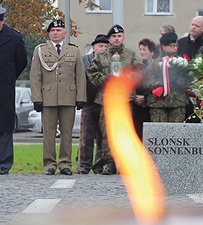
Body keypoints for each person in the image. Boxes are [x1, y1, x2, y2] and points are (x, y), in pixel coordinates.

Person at [30, 20, 86, 175]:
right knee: (48, 133)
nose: (55, 33)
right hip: (47, 97)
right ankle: (49, 164)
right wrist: (36, 98)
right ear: (49, 33)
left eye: (58, 30)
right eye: (53, 30)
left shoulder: (73, 51)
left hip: (68, 96)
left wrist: (81, 97)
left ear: (65, 33)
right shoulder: (41, 50)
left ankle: (65, 163)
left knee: (67, 132)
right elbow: (35, 76)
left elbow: (80, 76)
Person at [87, 24, 142, 175]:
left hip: (125, 99)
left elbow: (139, 72)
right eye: (114, 36)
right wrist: (106, 79)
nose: (117, 39)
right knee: (107, 132)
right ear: (109, 38)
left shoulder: (131, 55)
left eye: (119, 36)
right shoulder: (101, 55)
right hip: (107, 99)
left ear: (123, 37)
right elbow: (91, 73)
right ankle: (110, 162)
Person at [0, 7, 27, 175]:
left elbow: (21, 62)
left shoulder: (15, 38)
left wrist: (9, 78)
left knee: (4, 126)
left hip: (4, 88)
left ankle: (4, 163)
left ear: (2, 21)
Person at [78, 34, 109, 175]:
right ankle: (84, 165)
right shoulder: (84, 61)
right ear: (93, 47)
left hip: (105, 103)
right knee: (86, 137)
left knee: (103, 137)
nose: (103, 48)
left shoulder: (110, 63)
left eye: (105, 46)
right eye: (100, 46)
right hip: (89, 102)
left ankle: (98, 166)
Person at [146, 32, 191, 122]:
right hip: (158, 104)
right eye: (171, 45)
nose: (174, 48)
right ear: (163, 47)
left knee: (176, 133)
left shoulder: (182, 63)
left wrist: (177, 75)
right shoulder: (154, 64)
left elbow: (188, 83)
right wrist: (160, 85)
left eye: (176, 45)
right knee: (158, 132)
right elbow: (146, 82)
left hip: (177, 102)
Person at [133, 38, 153, 139]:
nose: (141, 52)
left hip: (150, 105)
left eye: (144, 49)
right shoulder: (137, 66)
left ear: (152, 52)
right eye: (140, 49)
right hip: (138, 107)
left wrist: (145, 98)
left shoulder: (156, 66)